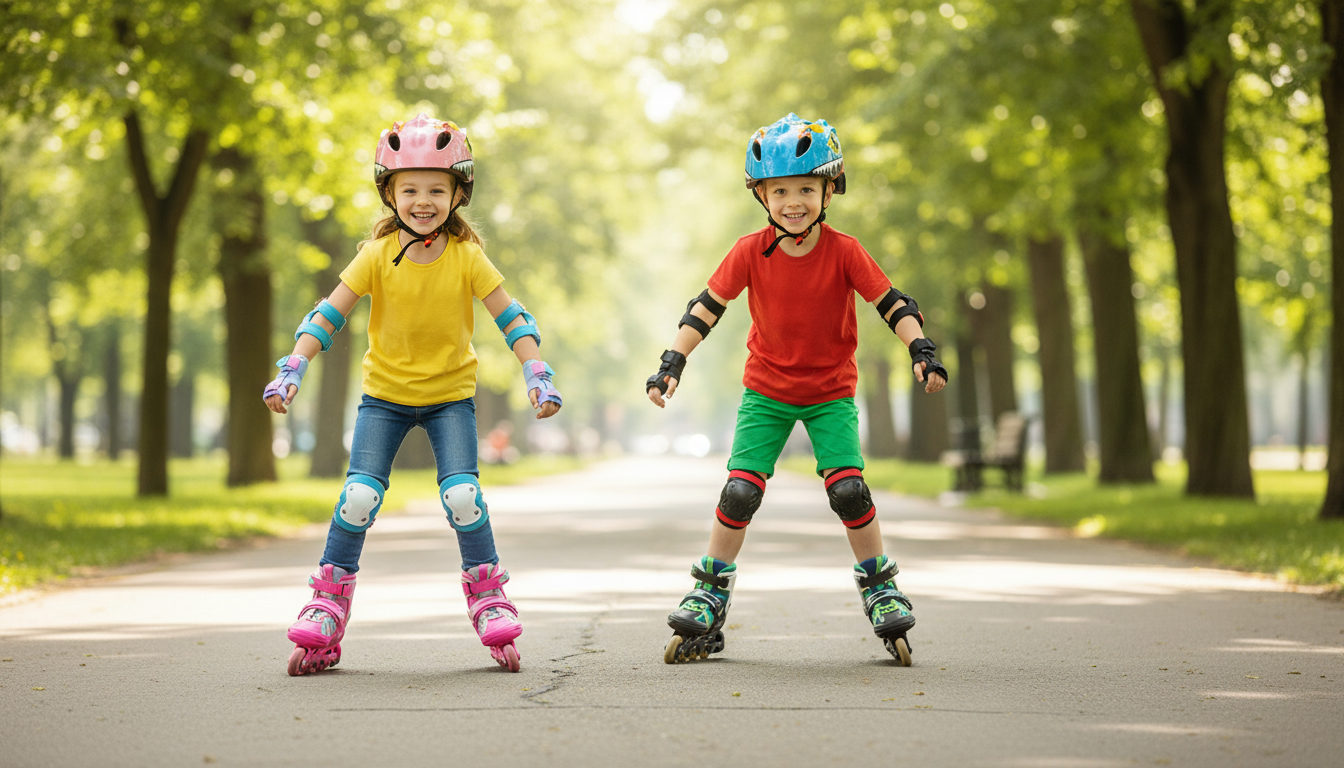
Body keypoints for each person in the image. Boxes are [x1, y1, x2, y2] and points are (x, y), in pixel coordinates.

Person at [645, 114, 948, 666]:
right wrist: (673, 361)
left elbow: (892, 303)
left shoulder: (845, 250)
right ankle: (710, 591)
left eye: (806, 189)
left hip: (831, 392)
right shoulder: (748, 250)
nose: (793, 202)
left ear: (829, 191)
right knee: (740, 491)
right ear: (761, 195)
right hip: (766, 391)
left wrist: (921, 349)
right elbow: (707, 307)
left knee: (849, 490)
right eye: (780, 190)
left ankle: (880, 586)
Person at [265, 113, 562, 675]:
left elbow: (511, 317)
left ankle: (489, 595)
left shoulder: (467, 257)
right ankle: (327, 605)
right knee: (358, 497)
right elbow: (328, 314)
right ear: (389, 194)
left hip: (450, 398)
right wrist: (294, 366)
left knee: (463, 496)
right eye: (410, 190)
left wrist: (536, 372)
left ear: (458, 194)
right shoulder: (376, 255)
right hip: (384, 398)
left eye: (436, 190)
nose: (423, 201)